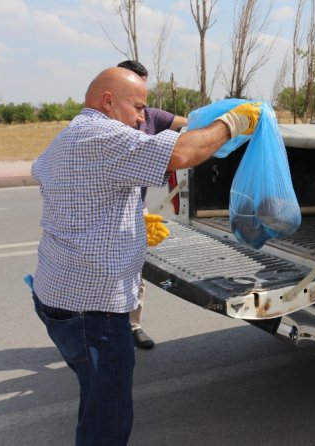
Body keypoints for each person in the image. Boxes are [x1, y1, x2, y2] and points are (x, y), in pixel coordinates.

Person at [30, 67, 260, 445]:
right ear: (107, 101)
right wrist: (233, 123)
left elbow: (72, 191)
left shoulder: (71, 134)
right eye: (137, 107)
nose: (142, 118)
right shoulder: (104, 135)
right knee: (108, 414)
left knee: (95, 392)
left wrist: (128, 224)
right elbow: (183, 152)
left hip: (57, 295)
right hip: (94, 309)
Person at [117, 59, 188, 350]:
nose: (140, 109)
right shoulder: (104, 124)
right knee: (106, 270)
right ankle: (99, 327)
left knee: (136, 270)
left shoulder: (151, 117)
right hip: (109, 210)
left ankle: (133, 326)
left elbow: (188, 126)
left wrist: (222, 121)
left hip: (137, 208)